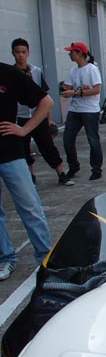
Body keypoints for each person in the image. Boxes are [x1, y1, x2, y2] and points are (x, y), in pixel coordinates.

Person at [0, 62, 54, 280]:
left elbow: (46, 102)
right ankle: (5, 259)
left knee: (29, 206)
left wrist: (24, 129)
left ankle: (45, 257)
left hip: (10, 154)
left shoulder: (8, 74)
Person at [11, 39, 74, 187]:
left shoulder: (36, 71)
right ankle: (30, 176)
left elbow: (44, 96)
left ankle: (61, 174)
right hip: (21, 117)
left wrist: (48, 118)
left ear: (28, 53)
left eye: (23, 52)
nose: (20, 55)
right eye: (17, 52)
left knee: (48, 146)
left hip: (38, 116)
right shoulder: (11, 73)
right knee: (23, 149)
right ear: (13, 53)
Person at [60, 42, 103, 181]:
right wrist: (65, 89)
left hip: (90, 110)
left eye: (72, 52)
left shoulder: (92, 69)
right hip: (75, 109)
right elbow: (68, 86)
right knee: (67, 139)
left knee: (93, 140)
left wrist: (76, 93)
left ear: (80, 53)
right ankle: (73, 166)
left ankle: (96, 169)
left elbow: (96, 89)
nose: (69, 54)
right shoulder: (73, 70)